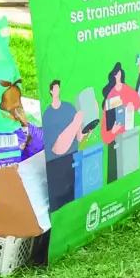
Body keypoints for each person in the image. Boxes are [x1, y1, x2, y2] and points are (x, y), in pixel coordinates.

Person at [42, 80, 86, 211]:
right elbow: (57, 149)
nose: (57, 91)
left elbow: (79, 136)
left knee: (73, 195)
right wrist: (76, 122)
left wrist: (88, 126)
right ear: (51, 91)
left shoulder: (69, 107)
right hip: (56, 164)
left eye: (58, 88)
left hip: (73, 158)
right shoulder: (48, 115)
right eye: (55, 89)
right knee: (59, 200)